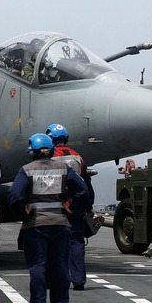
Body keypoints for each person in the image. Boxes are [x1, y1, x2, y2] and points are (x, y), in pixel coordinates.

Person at [8, 133, 88, 303]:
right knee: (60, 266)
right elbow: (82, 190)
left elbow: (14, 195)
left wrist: (22, 211)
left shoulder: (26, 170)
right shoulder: (64, 168)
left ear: (32, 152)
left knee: (37, 266)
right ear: (51, 150)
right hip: (60, 223)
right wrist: (72, 207)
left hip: (35, 225)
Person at [46, 123, 94, 291]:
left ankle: (52, 280)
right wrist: (88, 205)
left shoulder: (50, 157)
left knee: (53, 243)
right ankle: (79, 279)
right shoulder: (77, 157)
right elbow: (86, 182)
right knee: (76, 243)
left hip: (57, 206)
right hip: (76, 205)